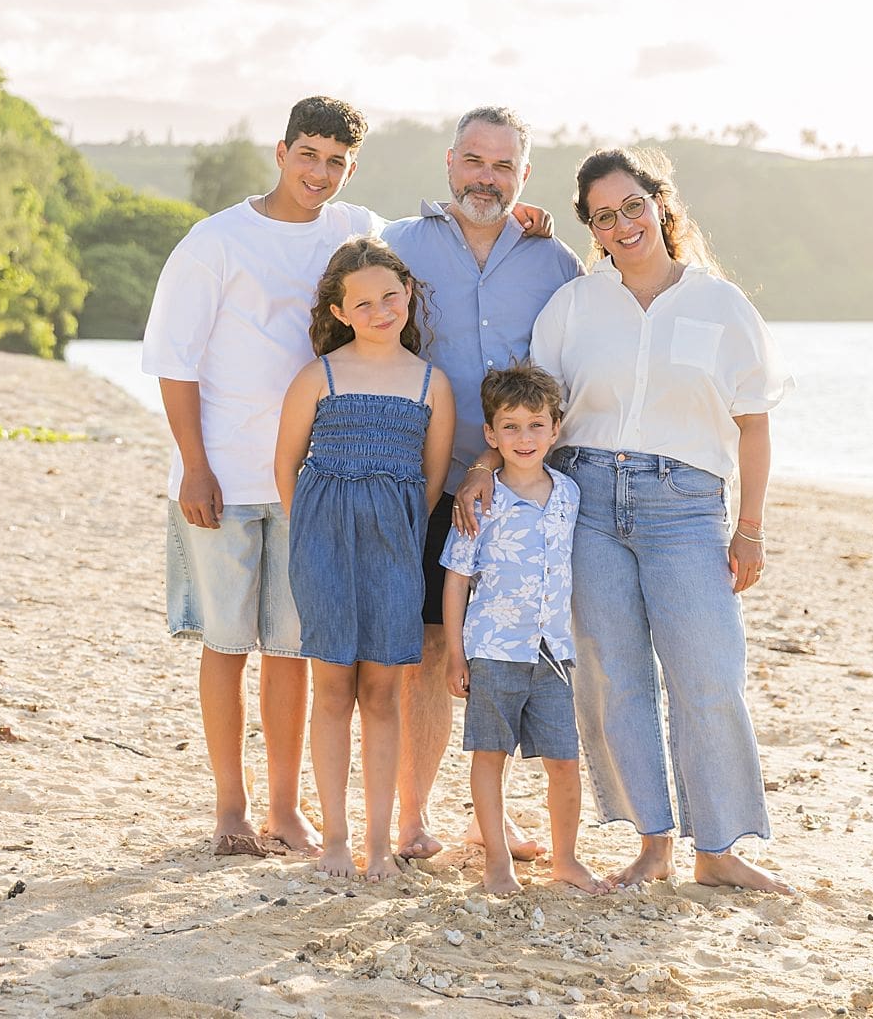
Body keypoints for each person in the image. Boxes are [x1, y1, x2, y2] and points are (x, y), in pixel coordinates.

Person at [527, 145, 795, 893]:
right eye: (603, 217)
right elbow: (538, 409)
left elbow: (753, 422)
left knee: (709, 674)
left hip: (686, 507)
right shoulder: (573, 306)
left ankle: (718, 850)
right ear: (591, 229)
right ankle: (653, 844)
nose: (623, 225)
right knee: (614, 678)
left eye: (633, 207)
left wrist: (750, 528)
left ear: (660, 204)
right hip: (587, 501)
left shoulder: (721, 304)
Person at [141, 94, 382, 857]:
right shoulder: (215, 241)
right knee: (226, 644)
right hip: (222, 476)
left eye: (337, 161)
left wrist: (521, 218)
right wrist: (195, 467)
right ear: (281, 153)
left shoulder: (352, 229)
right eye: (308, 154)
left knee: (289, 649)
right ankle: (230, 810)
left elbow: (424, 242)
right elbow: (174, 362)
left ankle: (285, 808)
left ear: (350, 169)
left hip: (311, 481)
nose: (320, 172)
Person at [383, 106, 583, 860]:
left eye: (504, 166)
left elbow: (568, 375)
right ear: (449, 162)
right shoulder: (398, 245)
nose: (487, 179)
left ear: (525, 176)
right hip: (422, 481)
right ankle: (412, 817)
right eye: (474, 161)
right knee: (430, 651)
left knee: (512, 650)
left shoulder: (554, 261)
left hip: (517, 487)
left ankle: (489, 817)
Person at [275, 238, 454, 880]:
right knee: (331, 691)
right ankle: (335, 840)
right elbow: (286, 466)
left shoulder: (431, 383)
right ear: (340, 311)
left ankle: (378, 842)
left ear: (408, 295)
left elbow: (431, 481)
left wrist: (388, 528)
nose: (380, 311)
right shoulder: (319, 376)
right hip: (322, 548)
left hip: (394, 552)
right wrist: (318, 532)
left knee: (381, 694)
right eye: (363, 303)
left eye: (390, 297)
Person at [441, 364, 609, 895]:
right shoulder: (480, 501)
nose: (524, 437)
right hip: (493, 649)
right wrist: (455, 655)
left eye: (536, 425)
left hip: (553, 651)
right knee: (490, 756)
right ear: (490, 435)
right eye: (510, 427)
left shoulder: (569, 494)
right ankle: (496, 861)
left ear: (556, 429)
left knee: (564, 760)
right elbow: (456, 580)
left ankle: (567, 860)